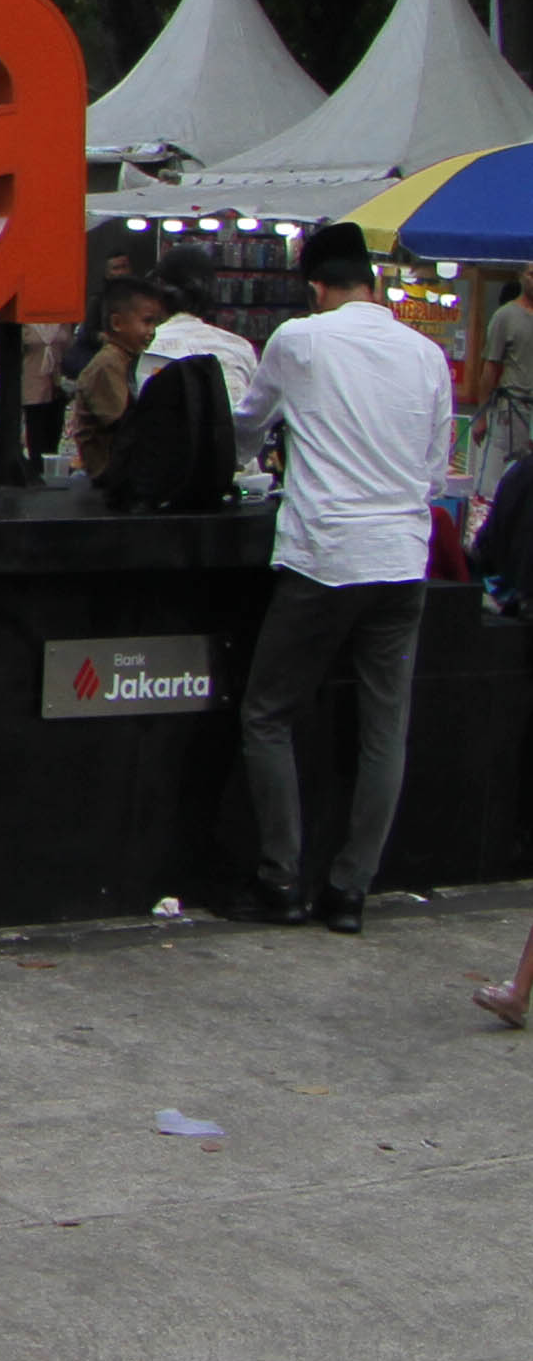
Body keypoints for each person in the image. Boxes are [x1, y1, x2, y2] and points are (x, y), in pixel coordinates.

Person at [230, 222, 454, 932]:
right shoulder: (427, 354)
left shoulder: (301, 340)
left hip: (325, 555)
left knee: (268, 712)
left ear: (316, 287)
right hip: (401, 558)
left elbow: (247, 425)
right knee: (385, 729)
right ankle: (350, 891)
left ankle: (281, 879)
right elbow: (433, 465)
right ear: (376, 283)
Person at [62, 277, 172, 482]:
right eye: (147, 321)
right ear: (117, 323)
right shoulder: (108, 365)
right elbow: (126, 426)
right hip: (110, 477)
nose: (152, 332)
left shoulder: (129, 361)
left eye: (156, 323)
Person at [472, 276, 533, 489]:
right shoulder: (505, 316)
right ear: (523, 277)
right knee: (504, 478)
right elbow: (490, 367)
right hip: (512, 407)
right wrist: (481, 416)